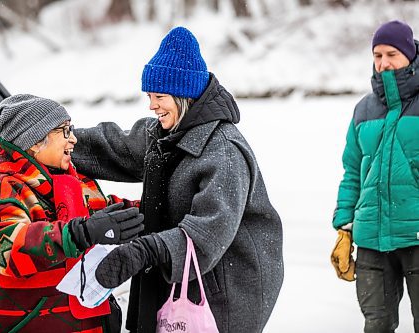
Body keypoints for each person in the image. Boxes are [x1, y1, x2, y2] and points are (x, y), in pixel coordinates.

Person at [72, 27, 284, 333]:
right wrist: (57, 141)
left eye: (159, 96)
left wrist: (144, 250)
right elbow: (112, 147)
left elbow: (207, 233)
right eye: (149, 96)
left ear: (184, 95)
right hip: (181, 285)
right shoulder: (166, 135)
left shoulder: (223, 151)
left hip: (224, 292)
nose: (151, 105)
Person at [0, 94, 144, 333]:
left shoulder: (66, 181)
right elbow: (7, 250)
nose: (74, 139)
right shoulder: (0, 190)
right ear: (36, 141)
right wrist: (78, 234)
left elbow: (106, 211)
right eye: (65, 131)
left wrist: (156, 209)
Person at [331, 20, 419, 333]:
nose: (383, 63)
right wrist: (344, 228)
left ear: (410, 55)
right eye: (377, 55)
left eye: (392, 54)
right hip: (371, 238)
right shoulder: (363, 110)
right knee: (376, 325)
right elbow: (352, 172)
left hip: (417, 235)